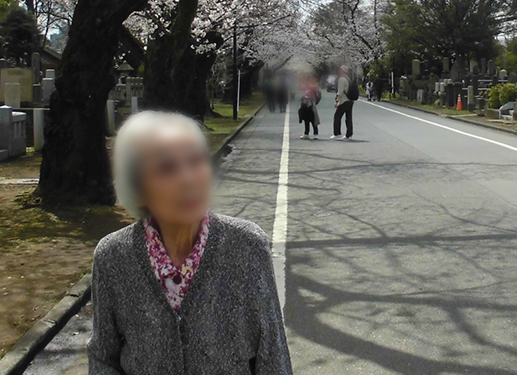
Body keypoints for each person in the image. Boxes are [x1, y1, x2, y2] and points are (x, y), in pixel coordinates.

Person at [88, 111, 292, 375]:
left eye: (196, 161)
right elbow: (103, 358)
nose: (188, 179)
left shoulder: (247, 246)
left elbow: (273, 357)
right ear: (138, 190)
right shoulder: (113, 257)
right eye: (167, 168)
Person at [331, 66, 358, 140]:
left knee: (337, 117)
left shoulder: (342, 79)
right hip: (350, 101)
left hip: (343, 101)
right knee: (348, 118)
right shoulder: (348, 79)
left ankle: (337, 133)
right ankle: (349, 134)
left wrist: (337, 101)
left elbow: (340, 92)